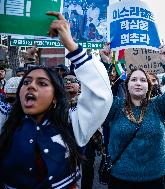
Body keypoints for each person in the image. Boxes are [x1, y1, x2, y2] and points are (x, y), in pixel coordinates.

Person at [0, 12, 113, 188]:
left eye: (42, 83)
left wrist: (71, 45)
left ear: (55, 98)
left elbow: (101, 96)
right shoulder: (5, 122)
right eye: (26, 82)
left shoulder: (72, 125)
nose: (31, 86)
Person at [100, 42, 165, 189]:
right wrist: (105, 63)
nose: (138, 83)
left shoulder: (158, 106)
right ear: (127, 86)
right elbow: (98, 94)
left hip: (154, 180)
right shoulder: (116, 106)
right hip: (120, 179)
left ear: (149, 87)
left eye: (143, 80)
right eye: (134, 79)